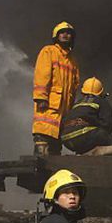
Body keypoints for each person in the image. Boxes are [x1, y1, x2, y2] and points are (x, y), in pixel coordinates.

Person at [32, 21, 80, 157]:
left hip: (63, 113)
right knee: (43, 144)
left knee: (55, 149)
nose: (65, 35)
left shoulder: (73, 61)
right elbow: (42, 75)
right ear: (56, 35)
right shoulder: (49, 51)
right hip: (47, 108)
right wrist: (41, 98)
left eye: (69, 33)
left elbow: (75, 86)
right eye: (62, 32)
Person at [61, 77, 112, 154]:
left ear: (83, 92)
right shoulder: (101, 102)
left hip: (66, 140)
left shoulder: (77, 103)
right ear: (100, 92)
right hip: (84, 136)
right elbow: (107, 125)